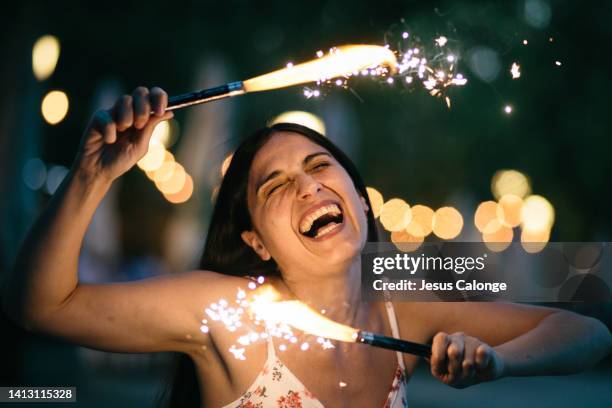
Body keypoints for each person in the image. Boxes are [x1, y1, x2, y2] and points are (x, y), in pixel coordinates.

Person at [2, 86, 611, 408]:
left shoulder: (402, 308)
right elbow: (41, 306)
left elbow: (588, 333)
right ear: (254, 241)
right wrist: (91, 175)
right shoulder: (228, 312)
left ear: (361, 199)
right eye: (276, 185)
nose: (308, 184)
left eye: (320, 164)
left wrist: (501, 364)